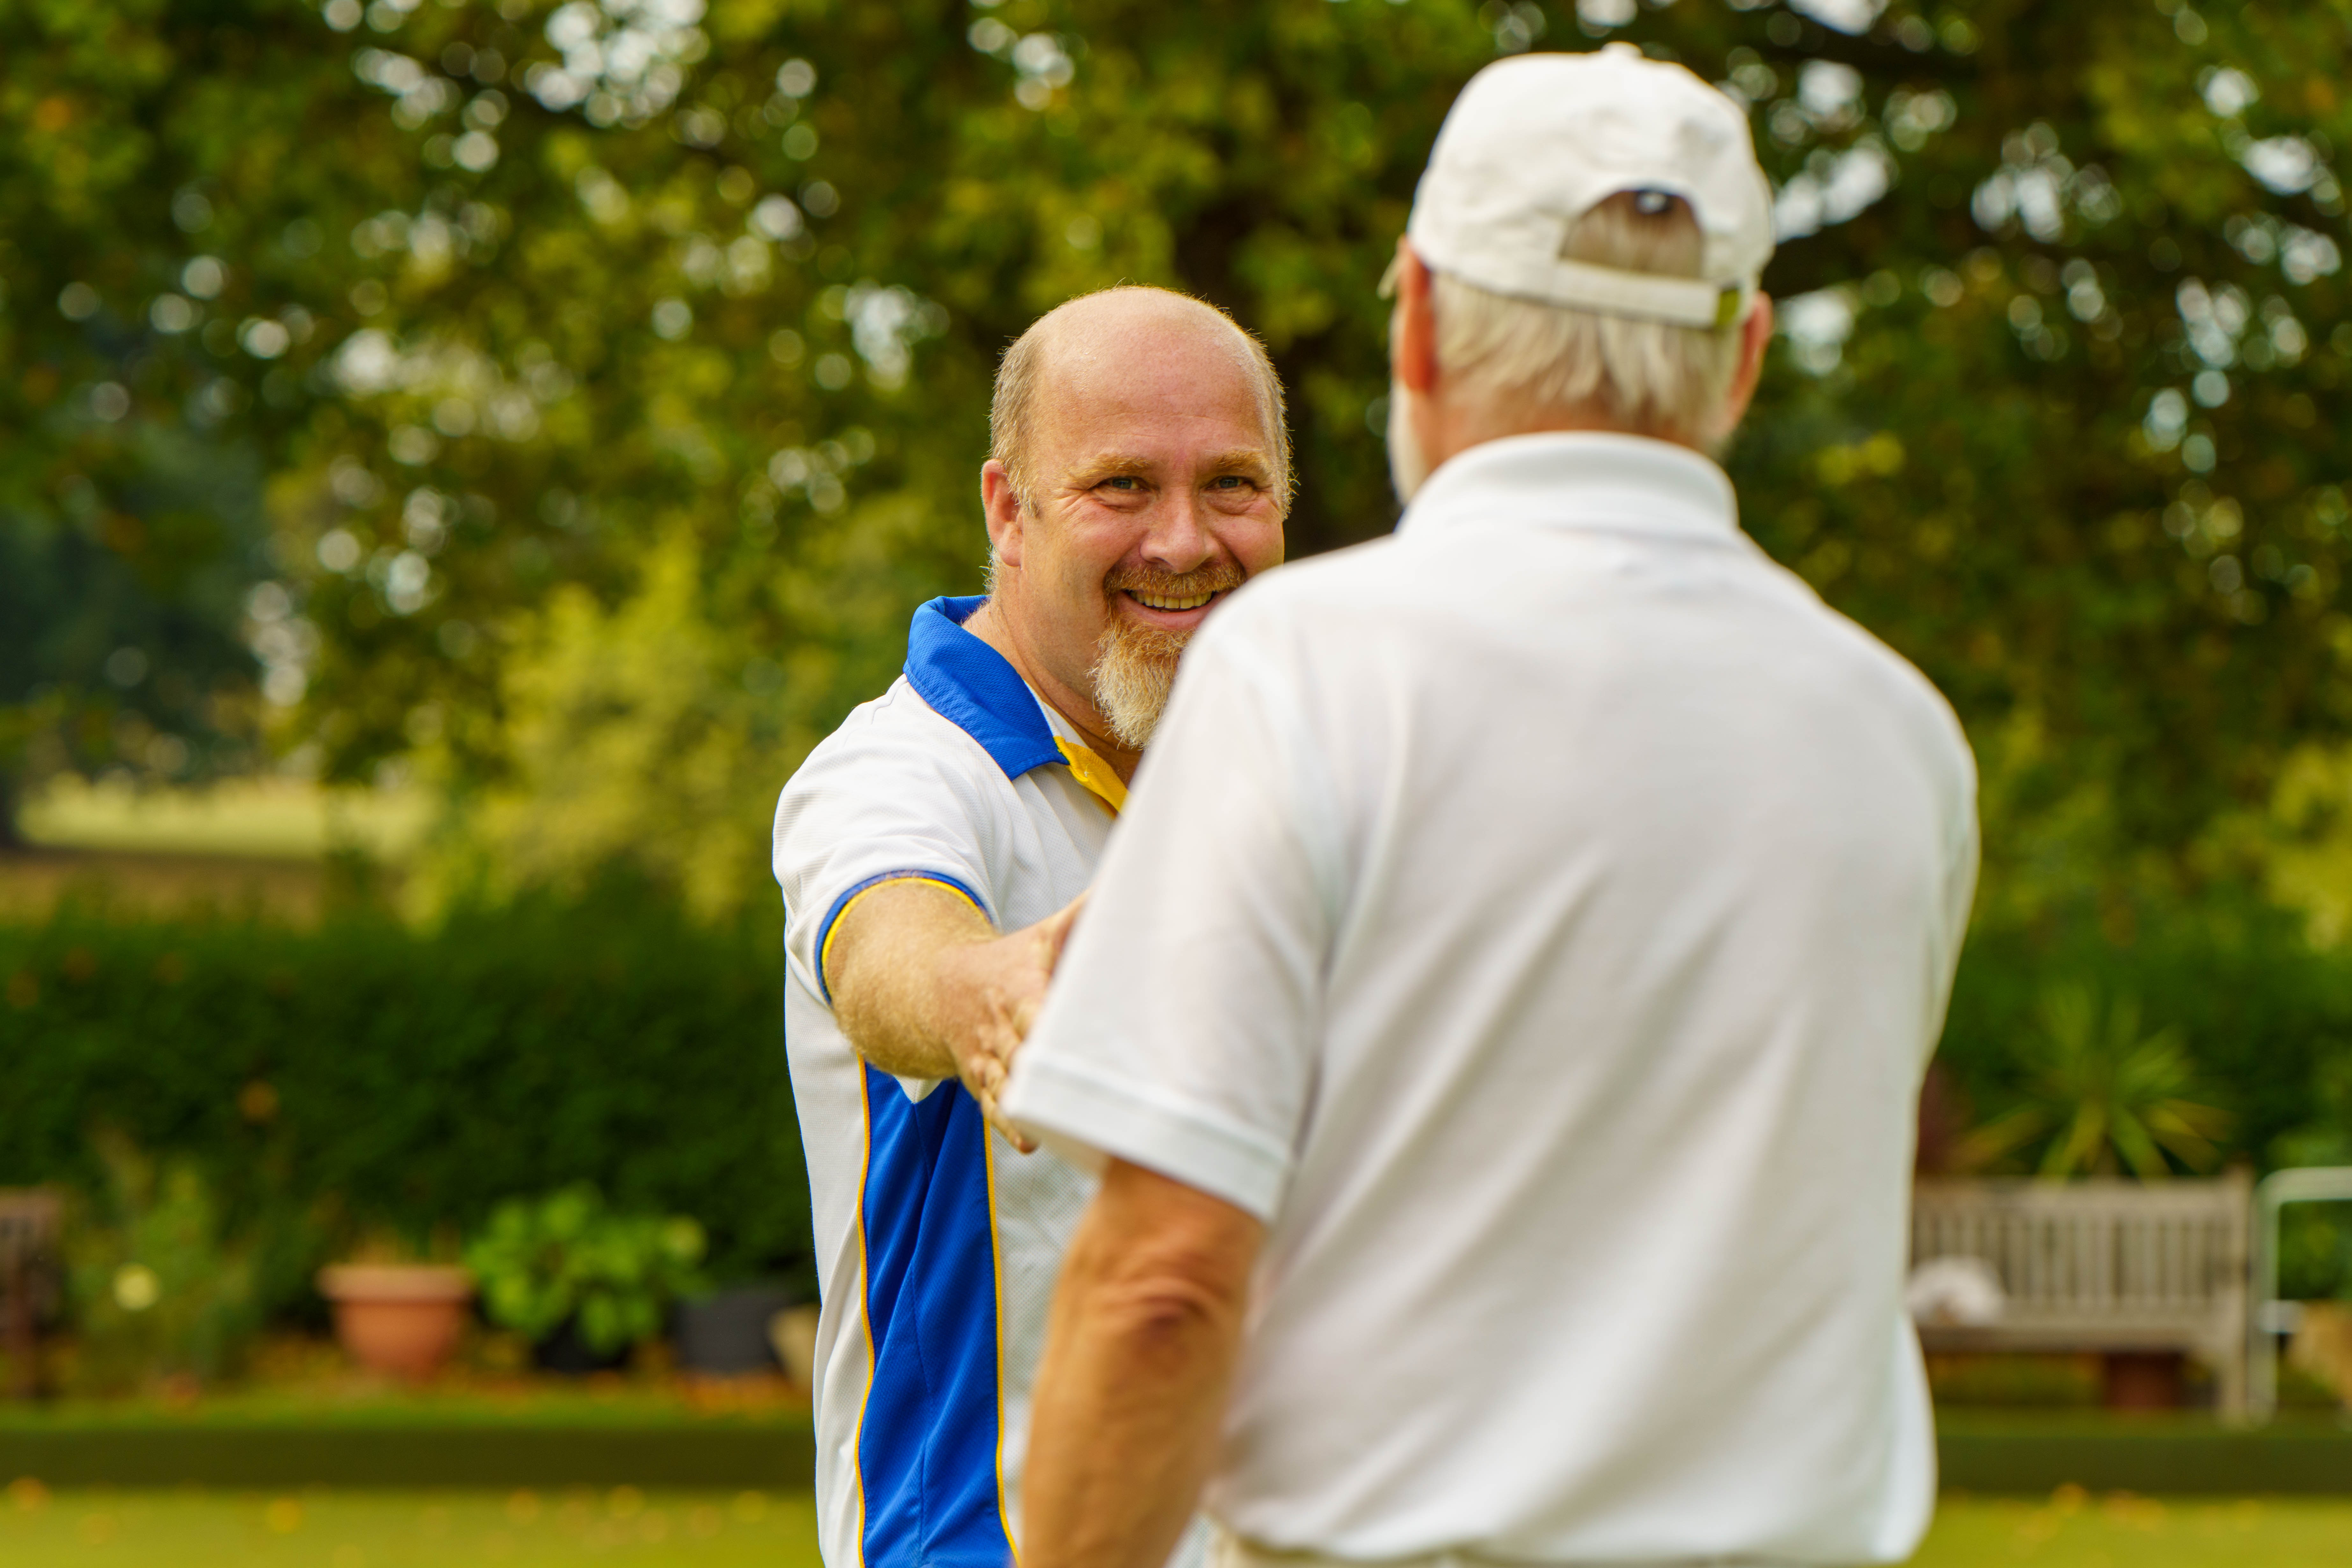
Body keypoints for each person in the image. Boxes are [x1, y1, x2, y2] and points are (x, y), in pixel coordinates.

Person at [1002, 46, 1979, 1568]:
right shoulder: (1898, 734)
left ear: (1418, 320)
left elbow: (1163, 1285)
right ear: (1743, 353)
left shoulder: (1304, 671)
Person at [771, 285, 1291, 1568]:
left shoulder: (1299, 775)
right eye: (1121, 486)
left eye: (1232, 485)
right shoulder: (902, 769)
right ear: (1008, 511)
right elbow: (891, 951)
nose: (1185, 540)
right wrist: (986, 995)